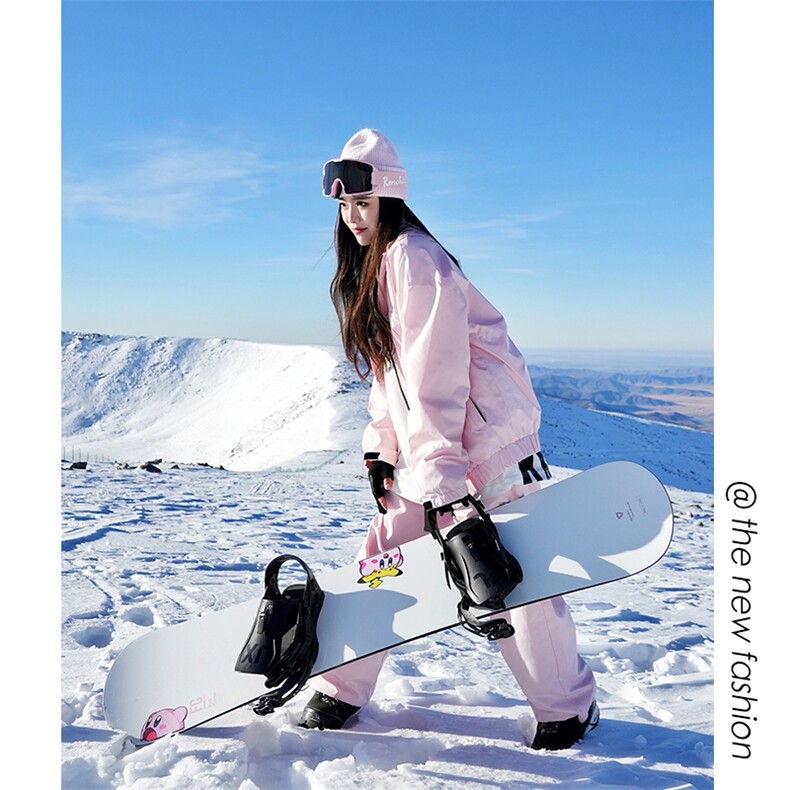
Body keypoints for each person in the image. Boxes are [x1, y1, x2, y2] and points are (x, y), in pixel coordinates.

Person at [300, 129, 598, 750]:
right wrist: (383, 447)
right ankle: (344, 686)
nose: (353, 218)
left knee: (514, 576)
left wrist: (445, 488)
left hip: (478, 446)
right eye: (344, 207)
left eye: (363, 204)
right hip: (431, 450)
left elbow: (436, 376)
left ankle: (567, 706)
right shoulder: (377, 266)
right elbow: (393, 374)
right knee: (382, 560)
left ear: (389, 199)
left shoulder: (415, 257)